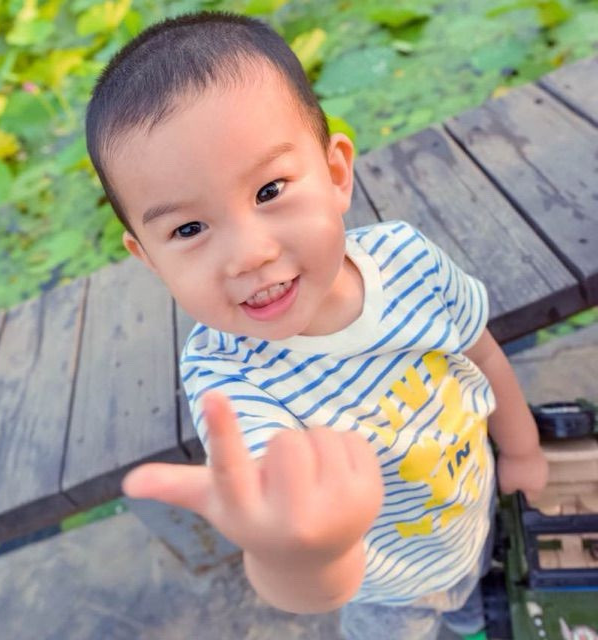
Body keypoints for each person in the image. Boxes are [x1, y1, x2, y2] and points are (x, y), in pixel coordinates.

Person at [85, 11, 548, 639]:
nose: (249, 253)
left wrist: (521, 451)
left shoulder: (409, 262)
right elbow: (299, 572)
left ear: (335, 175)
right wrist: (304, 555)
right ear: (148, 258)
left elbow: (483, 356)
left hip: (476, 511)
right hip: (387, 588)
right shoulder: (231, 381)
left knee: (478, 608)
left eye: (269, 190)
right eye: (189, 229)